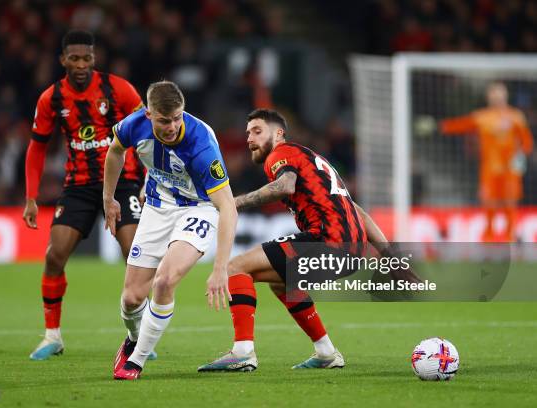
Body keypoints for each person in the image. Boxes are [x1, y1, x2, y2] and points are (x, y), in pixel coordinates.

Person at [197, 109, 408, 372]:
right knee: (283, 283)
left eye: (257, 131)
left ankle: (242, 351)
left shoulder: (281, 154)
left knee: (235, 267)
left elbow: (285, 186)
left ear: (278, 133)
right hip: (351, 249)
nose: (250, 137)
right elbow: (357, 212)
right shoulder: (314, 160)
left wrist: (233, 203)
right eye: (248, 132)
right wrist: (391, 258)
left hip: (326, 241)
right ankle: (326, 352)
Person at [103, 80, 237, 381]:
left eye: (178, 117)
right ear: (149, 115)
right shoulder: (133, 125)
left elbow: (228, 207)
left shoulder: (201, 144)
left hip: (198, 208)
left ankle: (135, 361)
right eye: (165, 120)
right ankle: (135, 339)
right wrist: (108, 199)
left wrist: (220, 269)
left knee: (164, 281)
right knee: (131, 299)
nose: (173, 125)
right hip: (157, 205)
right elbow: (115, 152)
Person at [24, 30, 145, 360]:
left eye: (87, 58)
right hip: (78, 186)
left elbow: (149, 133)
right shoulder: (51, 98)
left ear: (94, 59)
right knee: (53, 256)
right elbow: (37, 147)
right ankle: (53, 336)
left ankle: (139, 336)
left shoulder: (118, 89)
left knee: (135, 255)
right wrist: (31, 197)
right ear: (62, 60)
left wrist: (151, 180)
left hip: (123, 181)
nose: (81, 65)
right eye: (74, 59)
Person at [440, 82, 534, 242]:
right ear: (489, 98)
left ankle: (509, 238)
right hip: (489, 170)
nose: (497, 98)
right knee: (489, 205)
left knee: (509, 204)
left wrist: (520, 156)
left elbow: (527, 142)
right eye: (494, 95)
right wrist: (440, 126)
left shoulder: (515, 117)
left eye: (499, 95)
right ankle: (489, 238)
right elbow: (460, 125)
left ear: (505, 96)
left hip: (510, 171)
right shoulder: (482, 117)